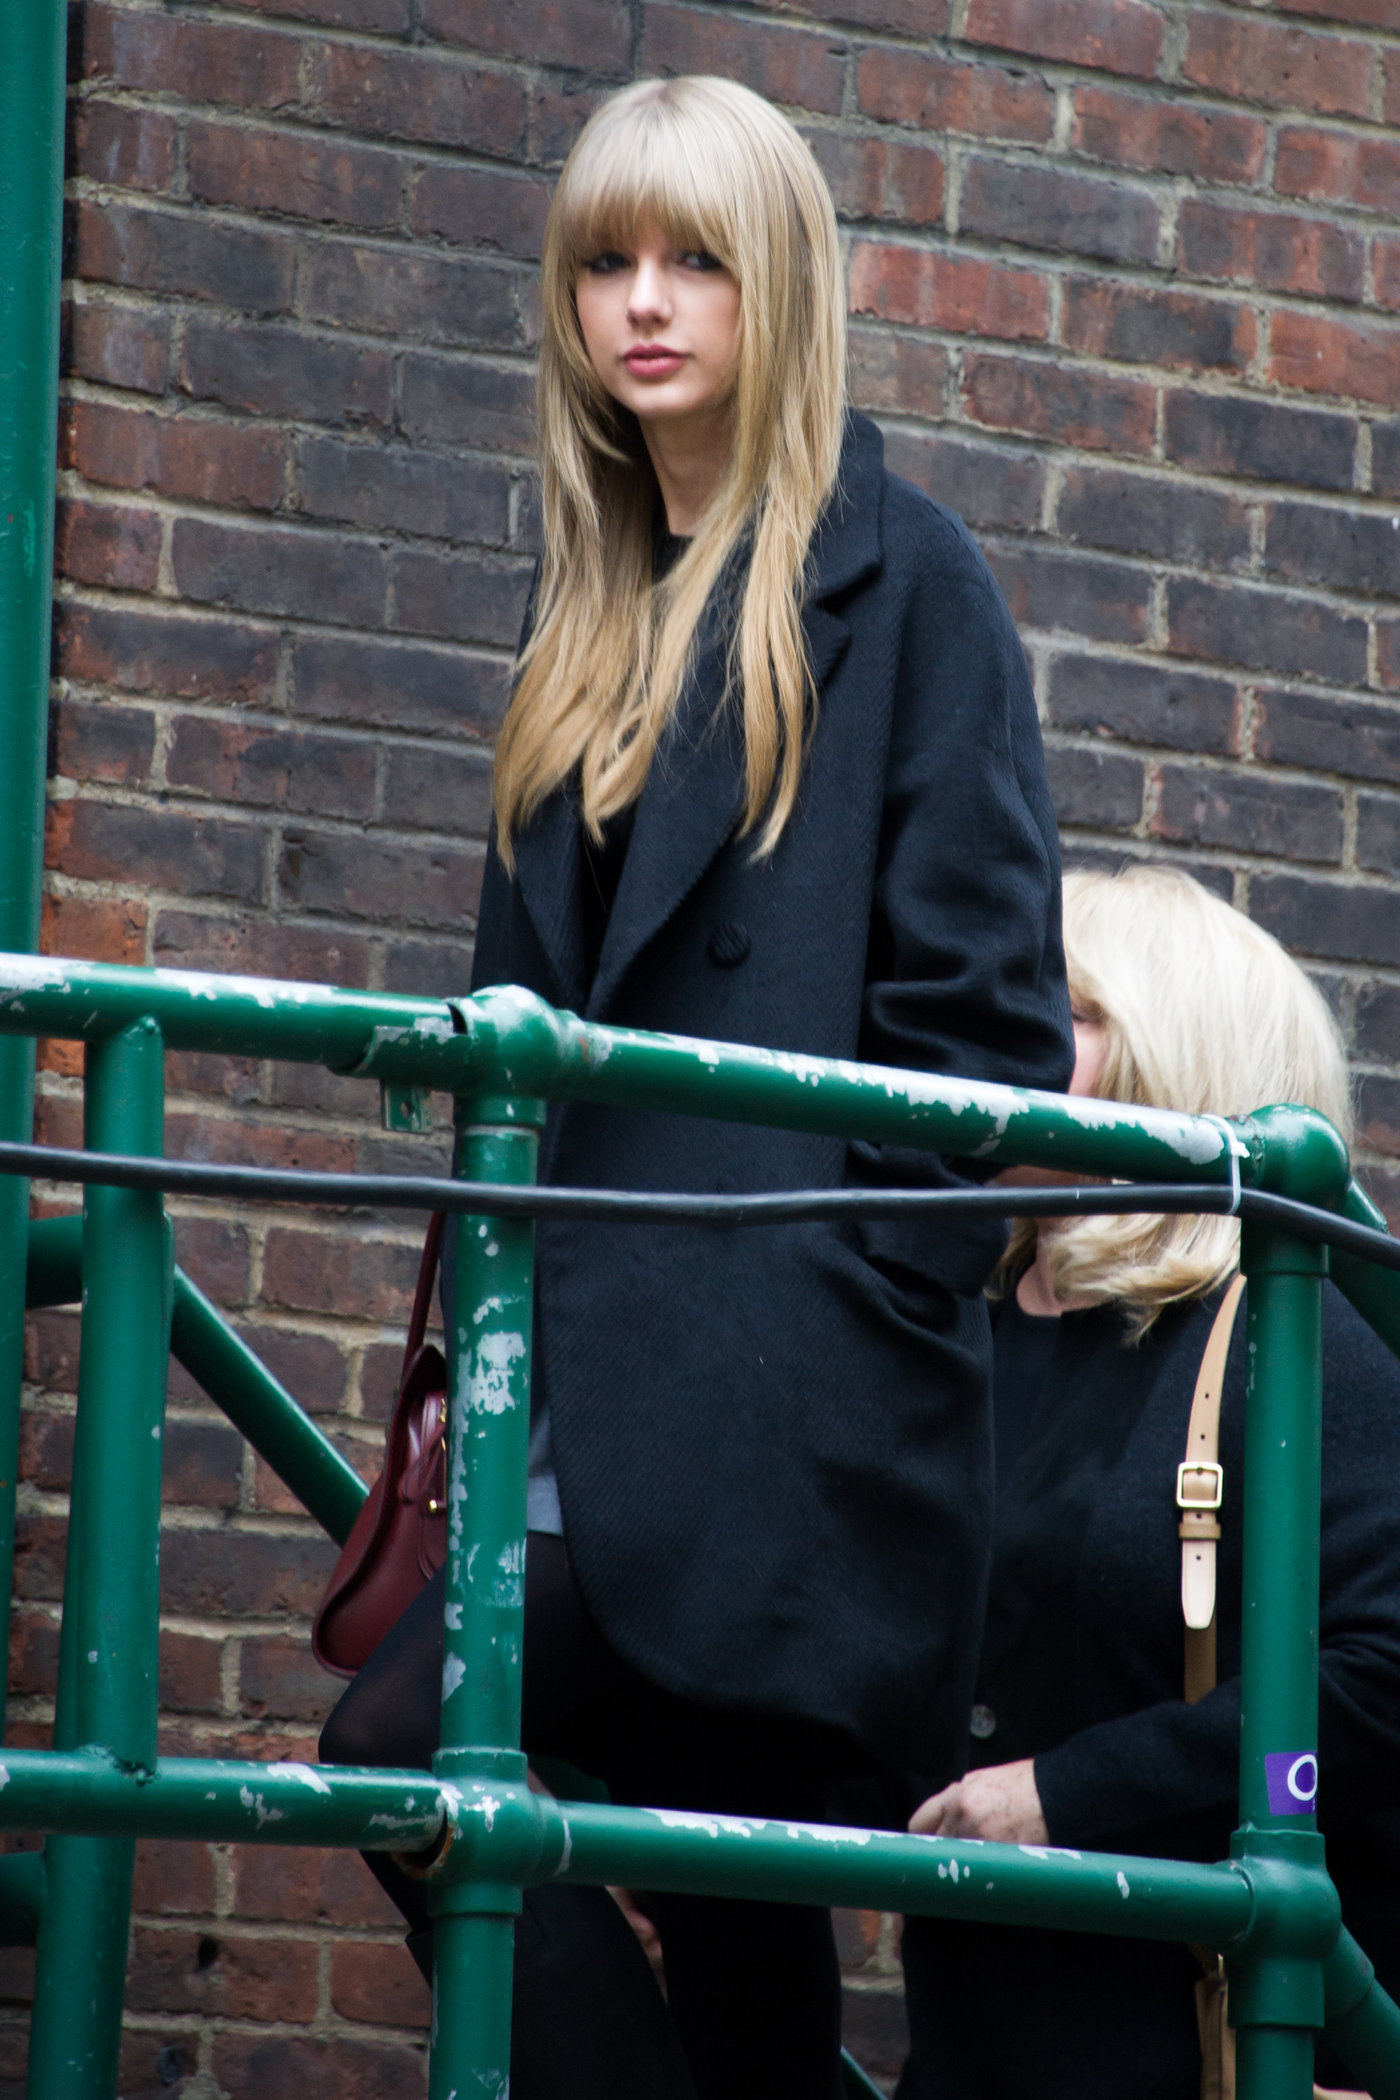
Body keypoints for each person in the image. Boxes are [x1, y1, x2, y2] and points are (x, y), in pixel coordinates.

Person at [321, 73, 1073, 2100]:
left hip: (784, 1398)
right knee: (694, 1927)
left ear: (783, 288)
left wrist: (843, 1312)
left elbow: (989, 1032)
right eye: (603, 265)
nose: (643, 305)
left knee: (444, 1772)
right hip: (586, 1370)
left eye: (695, 261)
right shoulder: (581, 615)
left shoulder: (903, 588)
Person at [898, 865, 1400, 2100]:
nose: (992, 1049)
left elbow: (1377, 1684)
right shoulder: (947, 1333)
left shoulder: (1291, 1338)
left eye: (1052, 1012)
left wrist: (1066, 1794)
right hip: (966, 2045)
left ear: (1170, 1059)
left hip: (1191, 2047)